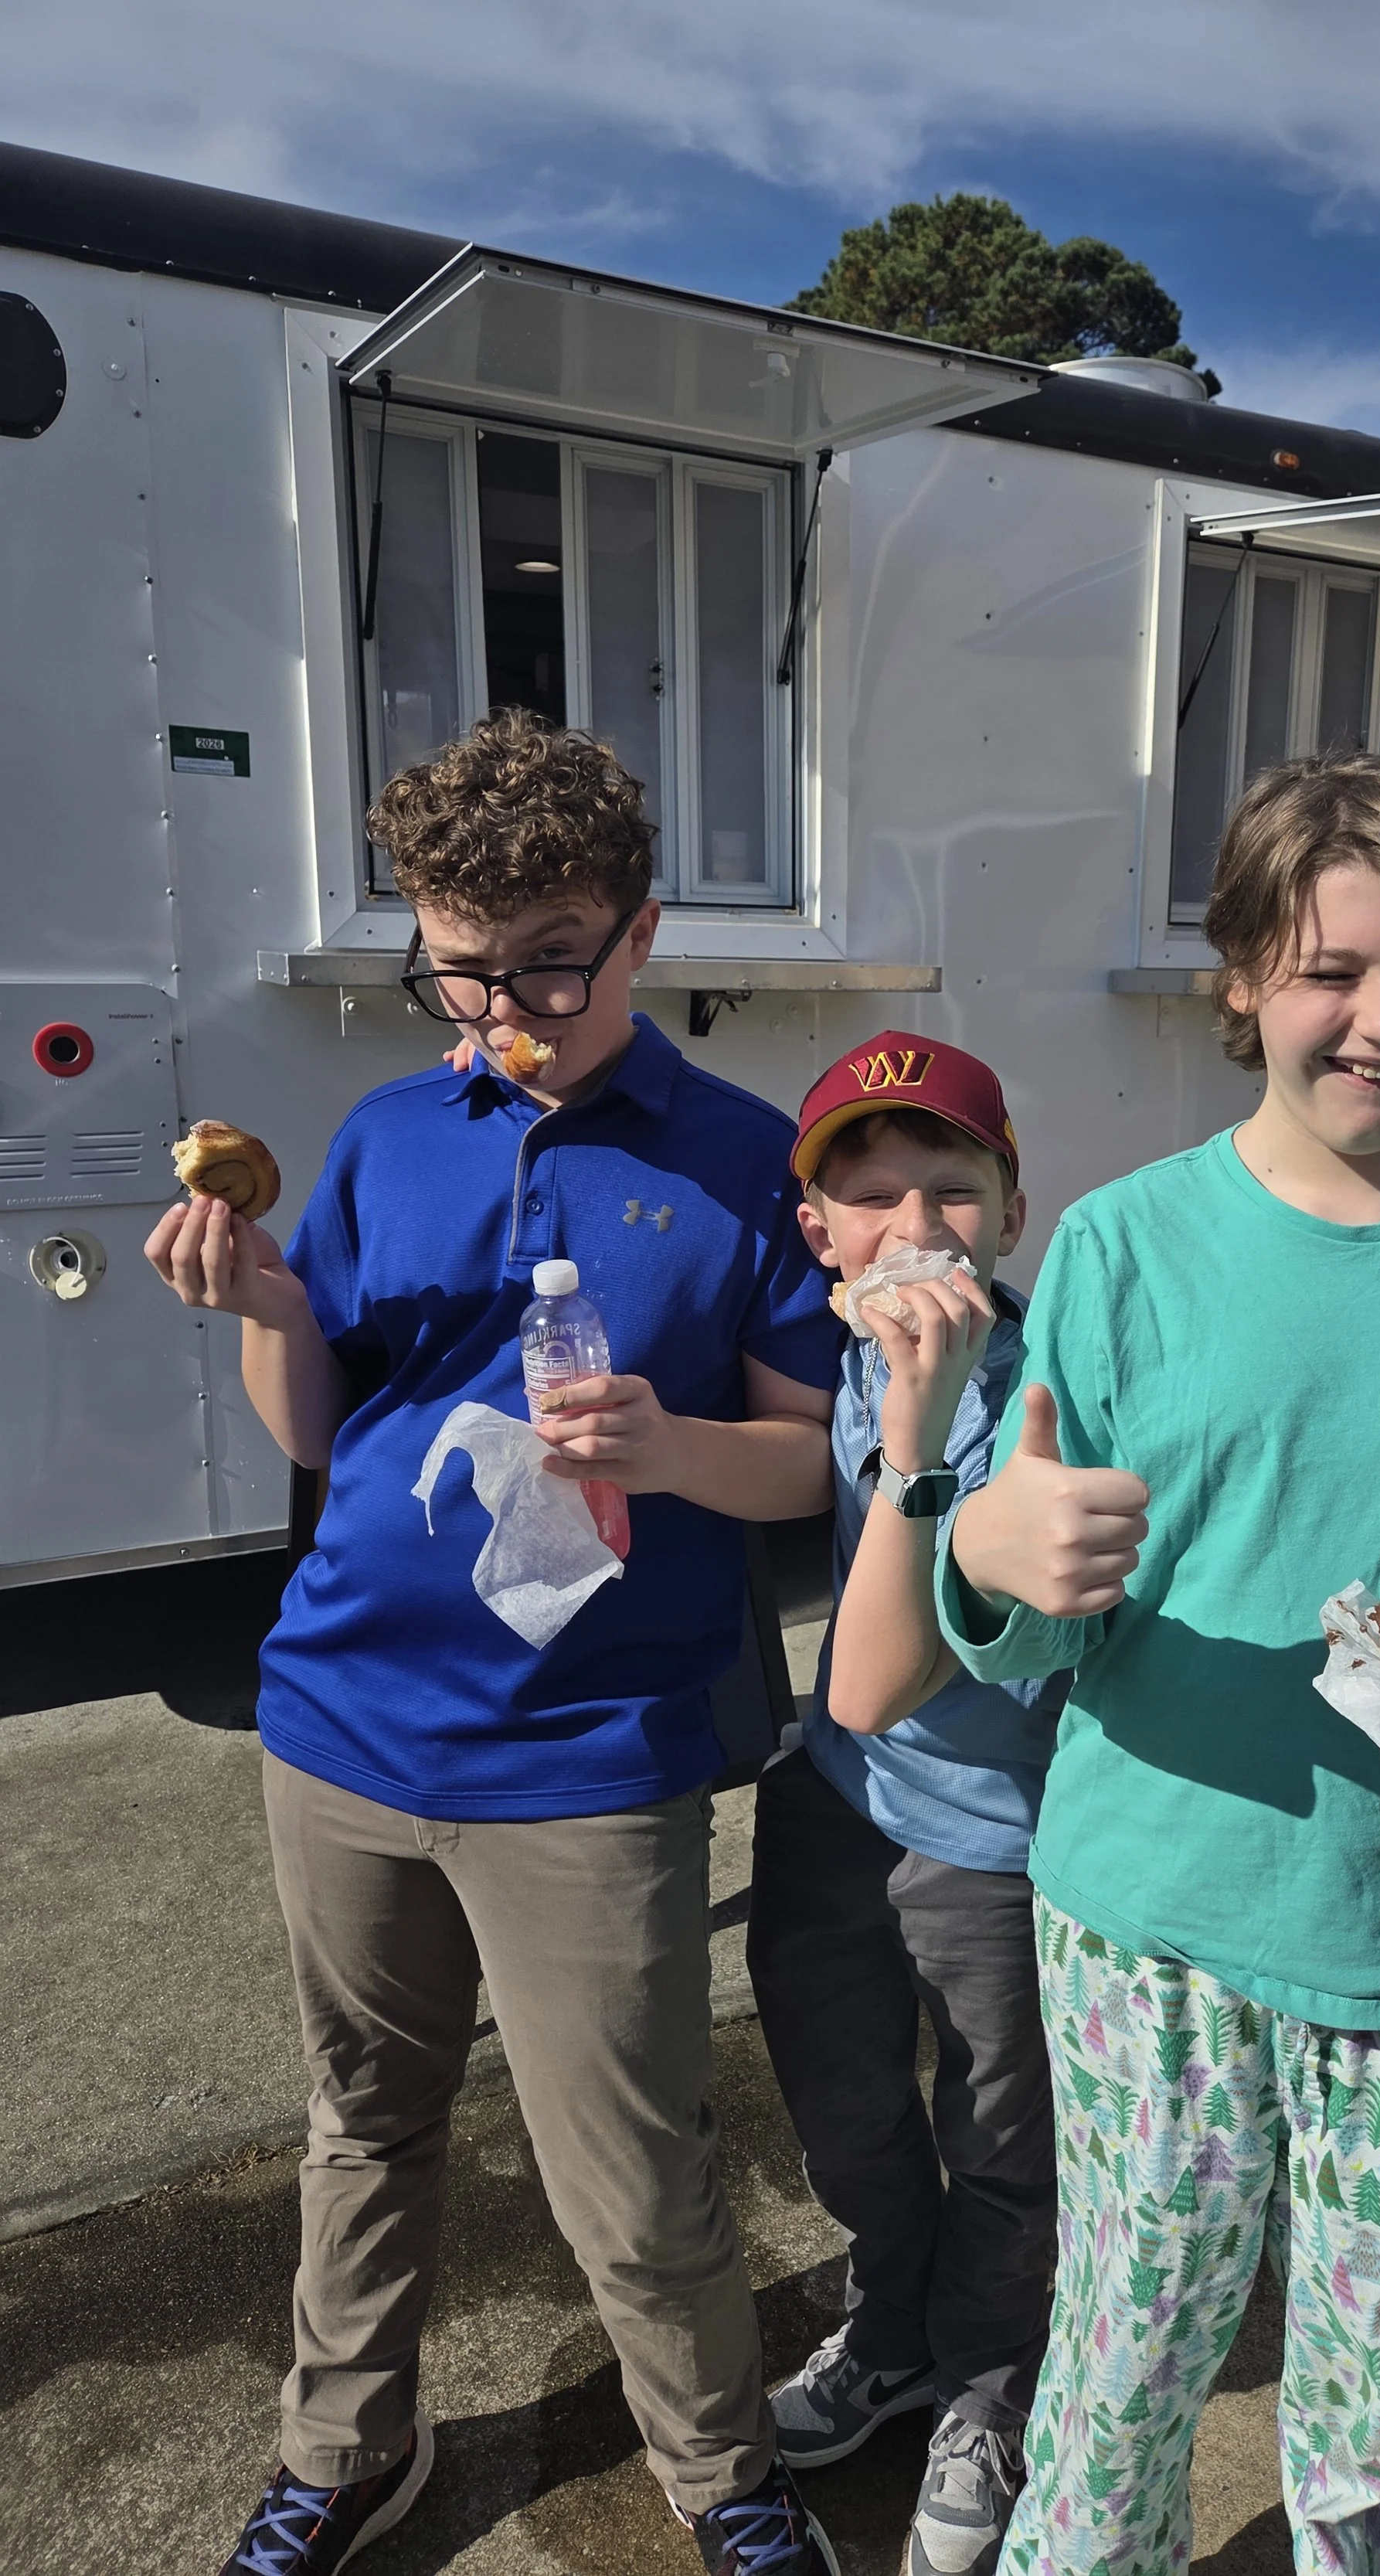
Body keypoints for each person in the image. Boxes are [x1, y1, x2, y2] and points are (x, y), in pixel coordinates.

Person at [145, 713, 844, 2576]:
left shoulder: (741, 1161)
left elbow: (806, 1468)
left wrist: (675, 1445)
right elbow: (316, 1427)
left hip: (592, 1755)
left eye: (548, 959)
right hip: (344, 1721)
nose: (500, 1005)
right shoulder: (386, 1135)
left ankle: (720, 2477)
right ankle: (342, 2448)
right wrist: (267, 1296)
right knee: (363, 2122)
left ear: (645, 931)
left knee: (630, 2170)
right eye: (461, 962)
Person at [933, 754, 1380, 2575]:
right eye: (1332, 968)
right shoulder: (1116, 1249)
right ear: (1243, 968)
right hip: (1144, 1915)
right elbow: (1028, 1585)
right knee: (1123, 2365)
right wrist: (984, 1554)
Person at [746, 1036, 1064, 2576]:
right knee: (842, 2106)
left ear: (1015, 1206)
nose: (914, 1229)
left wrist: (926, 1415)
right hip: (832, 1799)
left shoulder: (1047, 1380)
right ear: (816, 1227)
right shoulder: (846, 1349)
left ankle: (988, 2390)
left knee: (1002, 2138)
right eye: (868, 1196)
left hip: (1000, 1829)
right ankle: (892, 2331)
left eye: (952, 1187)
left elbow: (899, 1660)